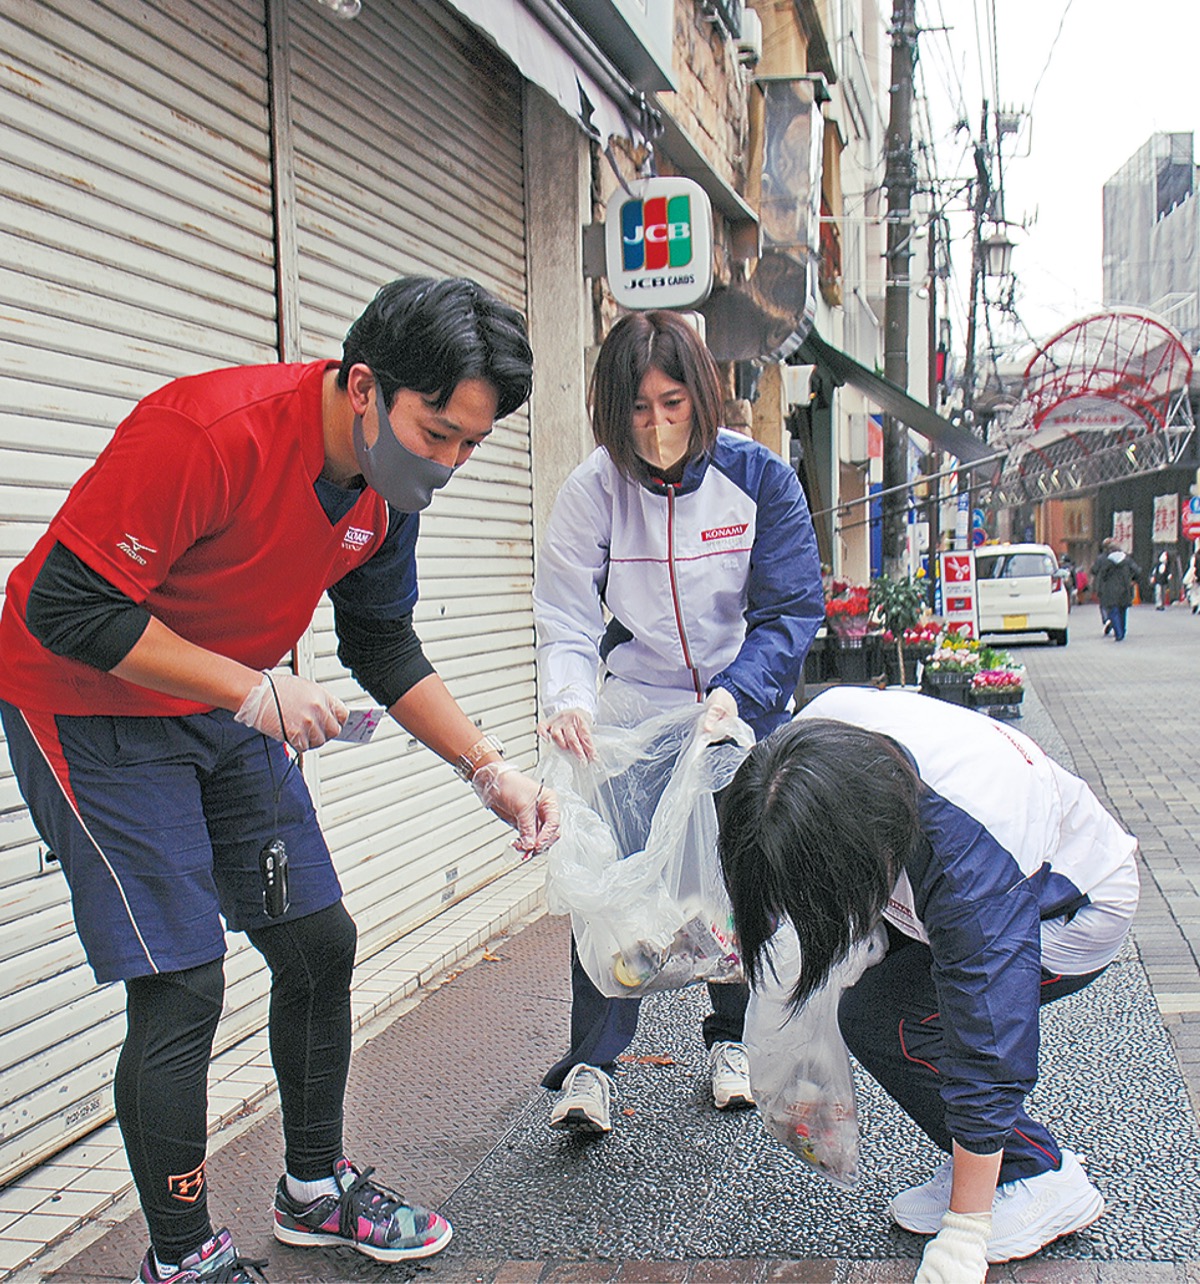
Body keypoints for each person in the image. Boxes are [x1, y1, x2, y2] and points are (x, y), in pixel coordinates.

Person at [0, 277, 560, 1284]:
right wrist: (251, 691)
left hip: (226, 701)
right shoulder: (208, 433)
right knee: (181, 985)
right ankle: (183, 1260)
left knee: (317, 941)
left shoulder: (390, 494)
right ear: (362, 387)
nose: (449, 463)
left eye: (471, 445)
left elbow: (382, 644)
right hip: (85, 707)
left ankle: (314, 1190)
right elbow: (63, 605)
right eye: (436, 433)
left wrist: (491, 770)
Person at [717, 686, 1139, 1283]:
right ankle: (989, 1166)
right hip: (948, 880)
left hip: (1070, 908)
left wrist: (965, 1233)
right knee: (871, 1013)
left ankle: (1040, 1177)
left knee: (902, 1018)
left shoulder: (967, 864)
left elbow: (988, 1036)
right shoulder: (807, 750)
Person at [533, 310, 824, 1133]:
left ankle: (730, 1038)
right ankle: (590, 1065)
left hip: (737, 706)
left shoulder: (758, 477)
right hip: (635, 711)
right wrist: (569, 703)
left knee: (737, 878)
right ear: (610, 411)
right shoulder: (592, 489)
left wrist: (740, 695)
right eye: (636, 408)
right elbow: (563, 614)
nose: (656, 427)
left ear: (701, 397)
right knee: (609, 882)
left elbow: (791, 607)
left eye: (671, 403)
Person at [1089, 538, 1144, 641]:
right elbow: (1137, 571)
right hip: (1125, 589)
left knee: (1113, 611)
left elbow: (1102, 574)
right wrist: (1133, 580)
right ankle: (1122, 630)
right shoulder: (1127, 560)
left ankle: (1118, 632)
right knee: (1123, 611)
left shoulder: (1106, 561)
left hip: (1110, 591)